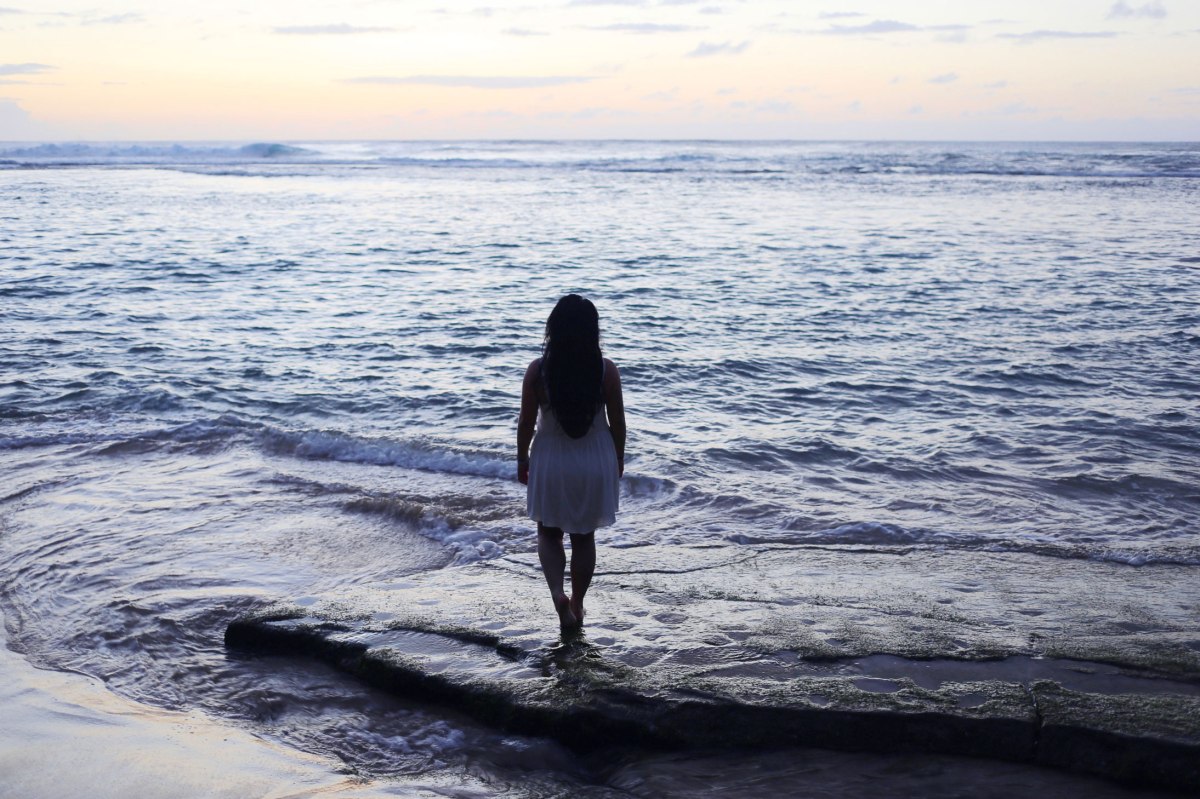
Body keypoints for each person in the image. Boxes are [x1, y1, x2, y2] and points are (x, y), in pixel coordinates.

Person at [517, 294, 625, 630]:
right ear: (593, 331)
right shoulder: (605, 370)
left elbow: (525, 421)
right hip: (593, 458)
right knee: (584, 537)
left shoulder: (538, 371)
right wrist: (617, 462)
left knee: (548, 532)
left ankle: (557, 595)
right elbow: (618, 423)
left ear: (554, 330)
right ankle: (578, 603)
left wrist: (522, 459)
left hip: (551, 457)